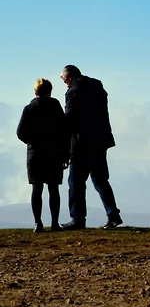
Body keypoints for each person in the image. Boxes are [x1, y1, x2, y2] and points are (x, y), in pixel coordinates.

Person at [61, 65, 124, 230]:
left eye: (63, 79)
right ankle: (113, 215)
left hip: (80, 144)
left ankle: (77, 219)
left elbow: (70, 119)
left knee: (75, 183)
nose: (64, 83)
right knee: (101, 180)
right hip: (99, 141)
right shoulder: (97, 86)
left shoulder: (73, 91)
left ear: (68, 78)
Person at [15, 78, 69, 233]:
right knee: (53, 189)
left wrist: (32, 142)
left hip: (35, 154)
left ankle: (38, 223)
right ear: (49, 91)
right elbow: (65, 131)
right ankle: (54, 223)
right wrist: (65, 154)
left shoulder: (29, 108)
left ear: (35, 91)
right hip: (54, 153)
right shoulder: (55, 107)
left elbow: (20, 132)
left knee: (36, 189)